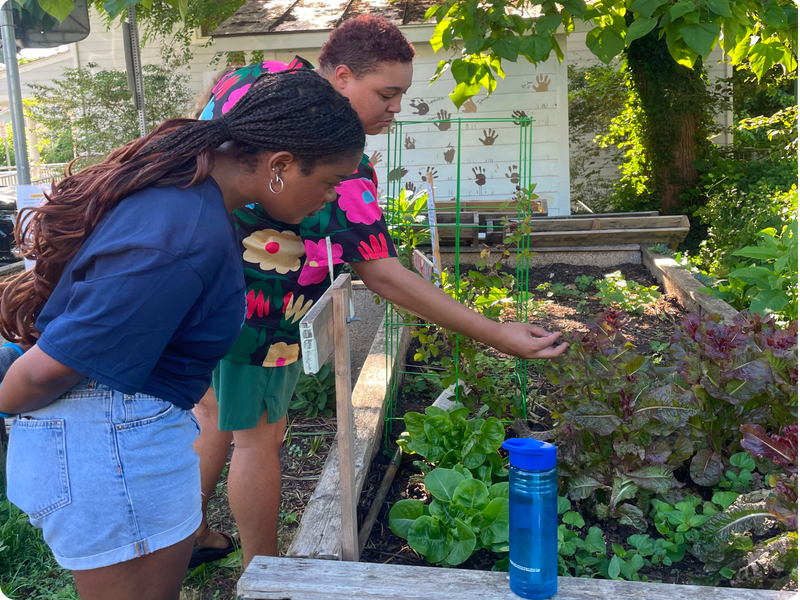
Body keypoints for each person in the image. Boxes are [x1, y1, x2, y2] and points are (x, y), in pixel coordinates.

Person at [191, 15, 568, 569]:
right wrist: (497, 334)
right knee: (256, 442)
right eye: (387, 94)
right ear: (342, 77)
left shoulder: (257, 77)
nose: (395, 109)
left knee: (211, 415)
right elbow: (384, 274)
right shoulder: (343, 165)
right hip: (259, 315)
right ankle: (264, 574)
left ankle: (193, 535)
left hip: (198, 289)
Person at [0, 69, 365, 600]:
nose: (332, 198)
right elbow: (46, 371)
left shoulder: (188, 200)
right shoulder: (180, 236)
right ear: (280, 166)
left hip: (125, 440)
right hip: (109, 451)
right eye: (331, 181)